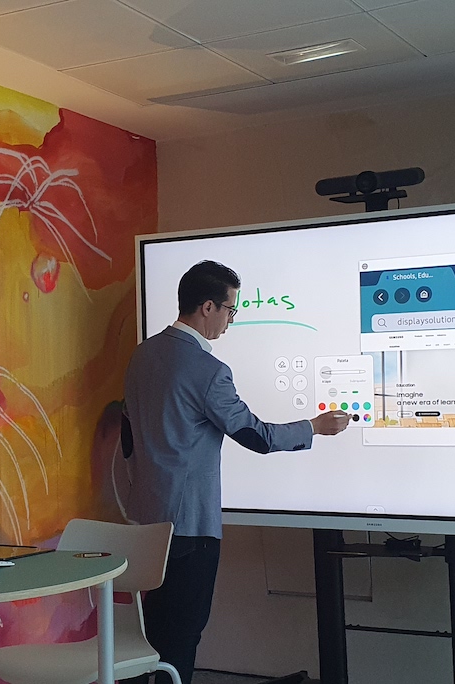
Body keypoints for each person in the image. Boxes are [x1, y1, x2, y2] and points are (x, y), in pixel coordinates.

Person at [120, 260, 350, 684]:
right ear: (207, 307)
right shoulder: (208, 370)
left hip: (144, 519)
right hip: (190, 527)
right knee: (181, 637)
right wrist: (313, 427)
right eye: (230, 309)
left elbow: (129, 436)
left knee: (147, 635)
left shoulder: (142, 355)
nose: (231, 320)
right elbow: (255, 435)